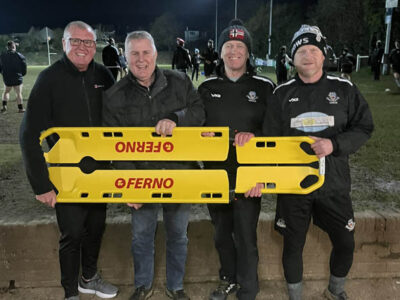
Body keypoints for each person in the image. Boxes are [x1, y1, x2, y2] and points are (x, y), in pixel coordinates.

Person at [249, 24, 374, 300]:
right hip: (293, 187)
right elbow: (269, 141)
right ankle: (296, 296)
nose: (308, 55)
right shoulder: (281, 94)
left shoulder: (344, 89)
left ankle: (335, 291)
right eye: (302, 51)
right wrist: (259, 176)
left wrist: (335, 144)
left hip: (334, 185)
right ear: (293, 58)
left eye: (313, 50)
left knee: (346, 241)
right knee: (293, 244)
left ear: (323, 55)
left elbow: (364, 126)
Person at [102, 30, 205, 300]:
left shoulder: (180, 81)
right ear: (124, 57)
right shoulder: (114, 96)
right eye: (134, 53)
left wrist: (176, 117)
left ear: (156, 54)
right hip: (141, 177)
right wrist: (130, 184)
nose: (141, 59)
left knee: (178, 235)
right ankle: (143, 285)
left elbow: (199, 112)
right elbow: (114, 147)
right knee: (141, 236)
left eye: (146, 52)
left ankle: (175, 286)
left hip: (180, 173)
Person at [19, 21, 117, 300]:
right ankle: (71, 291)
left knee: (96, 227)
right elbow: (28, 134)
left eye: (88, 42)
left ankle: (89, 278)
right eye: (76, 41)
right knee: (73, 233)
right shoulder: (49, 79)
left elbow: (122, 117)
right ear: (63, 43)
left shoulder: (103, 75)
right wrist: (41, 185)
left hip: (100, 172)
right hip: (67, 174)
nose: (83, 48)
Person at [198, 19, 275, 300]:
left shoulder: (265, 87)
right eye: (228, 46)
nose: (233, 51)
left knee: (245, 234)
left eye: (239, 46)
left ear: (247, 52)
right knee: (221, 234)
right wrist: (200, 134)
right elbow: (193, 127)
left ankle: (248, 287)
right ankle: (227, 279)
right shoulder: (206, 87)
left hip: (249, 175)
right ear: (220, 52)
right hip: (215, 174)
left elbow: (275, 133)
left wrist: (262, 171)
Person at [0, 40, 27, 113]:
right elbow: (24, 66)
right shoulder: (19, 55)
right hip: (17, 77)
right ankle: (20, 108)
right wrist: (22, 74)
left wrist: (3, 74)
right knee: (18, 93)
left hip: (7, 77)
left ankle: (4, 106)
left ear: (7, 47)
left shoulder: (2, 56)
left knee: (6, 92)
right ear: (14, 47)